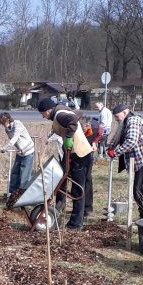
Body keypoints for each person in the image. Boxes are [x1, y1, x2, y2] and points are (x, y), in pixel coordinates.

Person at [37, 97, 93, 230]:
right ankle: (64, 209)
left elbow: (72, 120)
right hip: (79, 153)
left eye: (43, 113)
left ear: (48, 110)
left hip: (79, 154)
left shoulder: (59, 114)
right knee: (70, 183)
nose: (43, 116)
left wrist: (68, 137)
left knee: (78, 189)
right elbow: (77, 113)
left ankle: (75, 224)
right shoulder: (63, 111)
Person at [107, 103, 143, 219]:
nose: (116, 119)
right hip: (140, 160)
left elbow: (131, 141)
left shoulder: (133, 121)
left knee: (140, 191)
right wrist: (110, 147)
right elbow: (118, 136)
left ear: (125, 112)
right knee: (139, 191)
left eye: (117, 116)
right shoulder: (125, 122)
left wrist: (115, 152)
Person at [0, 112, 35, 196]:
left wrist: (5, 148)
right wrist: (18, 149)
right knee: (15, 173)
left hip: (28, 152)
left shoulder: (17, 124)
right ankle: (12, 194)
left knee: (24, 175)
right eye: (2, 124)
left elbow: (15, 138)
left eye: (3, 123)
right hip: (20, 153)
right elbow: (15, 142)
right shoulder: (7, 130)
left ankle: (23, 195)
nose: (3, 125)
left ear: (8, 120)